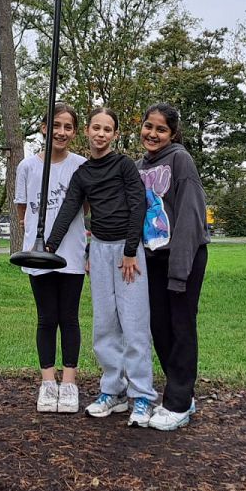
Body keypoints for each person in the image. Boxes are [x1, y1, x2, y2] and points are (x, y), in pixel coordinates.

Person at [46, 106, 156, 426]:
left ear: (115, 134)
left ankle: (142, 396)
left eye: (107, 129)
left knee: (134, 325)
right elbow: (69, 209)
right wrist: (49, 245)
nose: (101, 134)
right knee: (105, 325)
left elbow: (138, 205)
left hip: (128, 252)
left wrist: (131, 250)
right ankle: (113, 391)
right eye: (96, 128)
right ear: (87, 131)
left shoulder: (123, 165)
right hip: (99, 251)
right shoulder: (83, 174)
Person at [136, 103, 210, 431]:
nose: (153, 134)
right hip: (151, 259)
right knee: (160, 328)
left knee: (181, 327)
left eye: (161, 129)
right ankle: (182, 394)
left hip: (183, 255)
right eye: (148, 126)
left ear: (173, 133)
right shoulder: (138, 166)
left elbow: (191, 215)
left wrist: (179, 271)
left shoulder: (181, 160)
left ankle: (178, 404)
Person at [15, 103, 87, 414]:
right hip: (38, 255)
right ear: (44, 128)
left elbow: (85, 208)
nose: (61, 132)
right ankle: (47, 383)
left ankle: (69, 383)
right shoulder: (27, 167)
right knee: (46, 318)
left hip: (71, 253)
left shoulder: (81, 166)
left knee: (69, 318)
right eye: (56, 125)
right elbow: (23, 210)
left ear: (74, 132)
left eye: (68, 127)